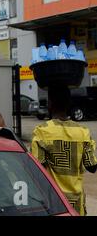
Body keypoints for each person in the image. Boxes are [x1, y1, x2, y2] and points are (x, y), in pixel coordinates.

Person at [31, 86, 97, 216]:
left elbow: (36, 170)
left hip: (53, 202)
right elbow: (92, 166)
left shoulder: (41, 131)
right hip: (76, 204)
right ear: (68, 103)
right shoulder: (83, 132)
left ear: (50, 103)